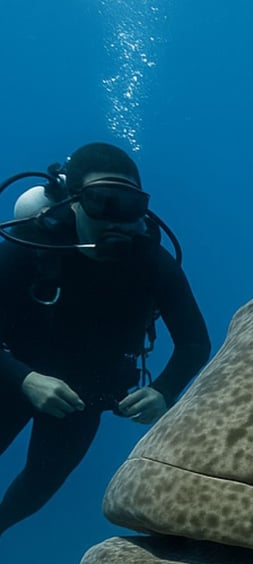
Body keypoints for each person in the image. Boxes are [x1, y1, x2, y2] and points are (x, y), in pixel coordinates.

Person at [0, 142, 210, 536]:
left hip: (84, 396)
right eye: (101, 202)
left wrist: (164, 390)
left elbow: (194, 342)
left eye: (128, 205)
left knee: (39, 485)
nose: (116, 219)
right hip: (9, 379)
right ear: (74, 202)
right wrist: (25, 378)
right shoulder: (31, 248)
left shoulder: (152, 263)